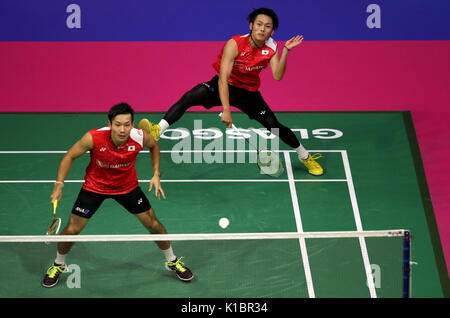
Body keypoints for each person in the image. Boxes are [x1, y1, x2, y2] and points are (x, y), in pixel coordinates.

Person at [139, 8, 323, 176]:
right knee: (190, 96)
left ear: (272, 31)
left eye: (267, 27)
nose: (262, 29)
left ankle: (304, 155)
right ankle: (158, 130)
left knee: (274, 126)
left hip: (249, 94)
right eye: (258, 24)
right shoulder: (234, 44)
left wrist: (286, 52)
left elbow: (277, 76)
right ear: (251, 25)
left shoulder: (272, 47)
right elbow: (222, 79)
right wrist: (226, 109)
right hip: (225, 85)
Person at [42, 103, 193, 288]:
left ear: (132, 124)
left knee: (154, 225)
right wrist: (59, 185)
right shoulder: (93, 137)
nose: (122, 129)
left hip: (127, 187)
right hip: (95, 187)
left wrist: (156, 173)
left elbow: (154, 146)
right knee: (72, 230)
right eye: (118, 124)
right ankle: (59, 264)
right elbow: (69, 156)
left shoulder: (139, 137)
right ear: (110, 124)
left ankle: (171, 260)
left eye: (127, 124)